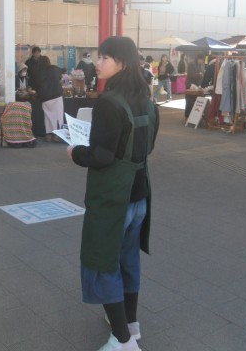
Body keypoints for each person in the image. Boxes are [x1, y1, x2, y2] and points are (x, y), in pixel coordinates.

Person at [66, 36, 159, 351]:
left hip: (112, 200)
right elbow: (148, 146)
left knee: (102, 261)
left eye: (104, 57)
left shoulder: (109, 102)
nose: (98, 62)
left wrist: (76, 152)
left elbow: (102, 157)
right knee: (128, 260)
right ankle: (131, 324)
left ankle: (122, 341)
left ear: (121, 62)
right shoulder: (146, 99)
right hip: (140, 195)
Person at [33, 55, 64, 142]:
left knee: (48, 117)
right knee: (58, 116)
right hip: (56, 96)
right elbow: (61, 75)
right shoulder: (54, 68)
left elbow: (36, 85)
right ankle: (57, 135)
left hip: (45, 98)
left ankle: (48, 135)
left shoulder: (38, 72)